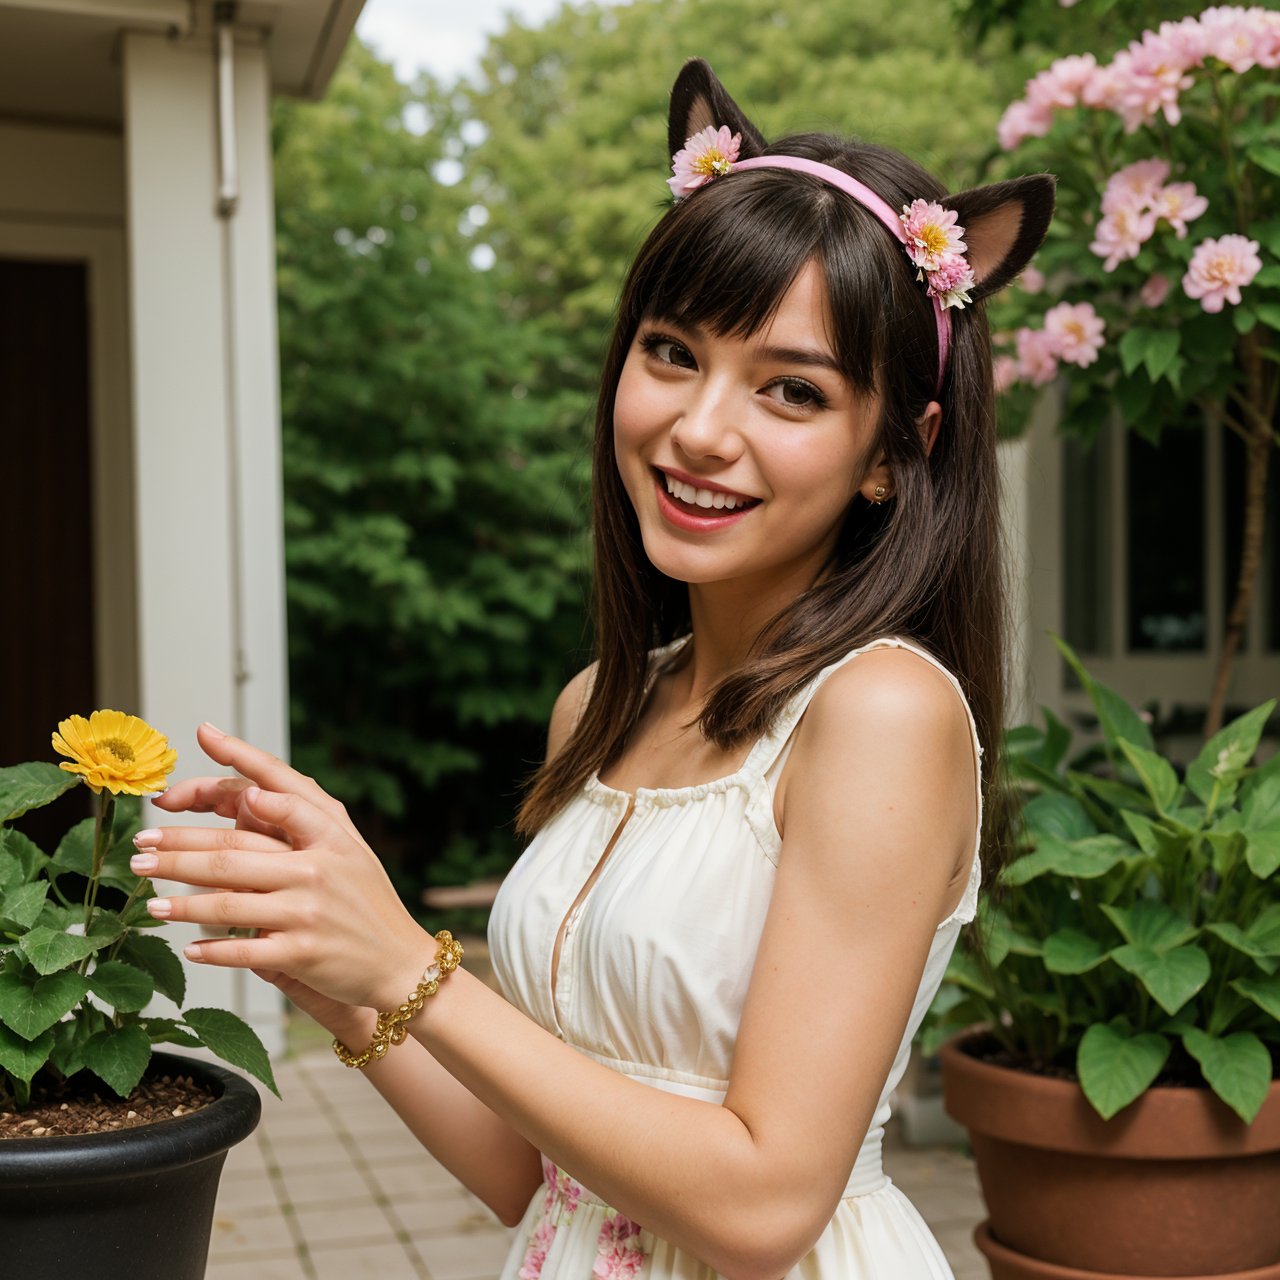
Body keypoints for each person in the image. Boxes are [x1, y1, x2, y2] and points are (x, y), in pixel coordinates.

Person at [136, 59, 1053, 1280]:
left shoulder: (878, 711)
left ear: (894, 450)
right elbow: (541, 1173)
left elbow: (765, 1202)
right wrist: (331, 964)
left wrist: (407, 953)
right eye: (672, 352)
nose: (700, 427)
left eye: (790, 388)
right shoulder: (605, 702)